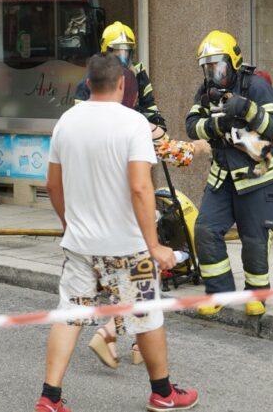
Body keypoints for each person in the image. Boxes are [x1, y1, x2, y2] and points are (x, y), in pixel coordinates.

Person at [36, 53, 199, 412]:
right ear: (122, 84)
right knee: (146, 314)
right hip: (129, 247)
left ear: (88, 84)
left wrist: (69, 224)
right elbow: (141, 188)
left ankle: (49, 398)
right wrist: (154, 245)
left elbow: (52, 184)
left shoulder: (66, 122)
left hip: (80, 245)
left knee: (71, 314)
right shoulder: (133, 124)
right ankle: (163, 393)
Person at [74, 21, 166, 369]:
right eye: (118, 52)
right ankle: (111, 333)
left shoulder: (139, 74)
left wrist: (154, 129)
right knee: (136, 272)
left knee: (130, 277)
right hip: (111, 180)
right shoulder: (93, 79)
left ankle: (131, 342)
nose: (123, 59)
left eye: (127, 51)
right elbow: (82, 118)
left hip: (133, 158)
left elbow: (153, 111)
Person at [185, 30, 273, 317]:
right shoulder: (205, 91)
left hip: (258, 174)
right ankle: (218, 291)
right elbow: (193, 124)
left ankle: (257, 295)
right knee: (205, 229)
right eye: (207, 67)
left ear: (232, 61)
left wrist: (247, 109)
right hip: (223, 176)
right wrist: (217, 125)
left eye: (217, 65)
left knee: (253, 238)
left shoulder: (255, 86)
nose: (213, 72)